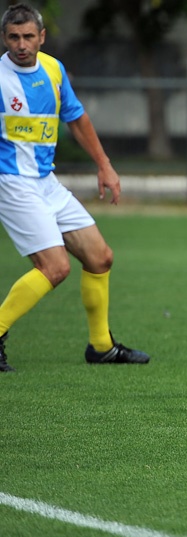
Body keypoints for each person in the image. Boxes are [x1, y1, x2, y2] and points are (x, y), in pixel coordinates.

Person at [0, 3, 149, 373]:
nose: (21, 44)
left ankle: (101, 347)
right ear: (4, 38)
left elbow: (76, 118)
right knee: (54, 267)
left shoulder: (53, 69)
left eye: (28, 37)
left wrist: (105, 165)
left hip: (45, 181)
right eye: (14, 37)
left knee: (100, 257)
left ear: (42, 37)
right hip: (12, 182)